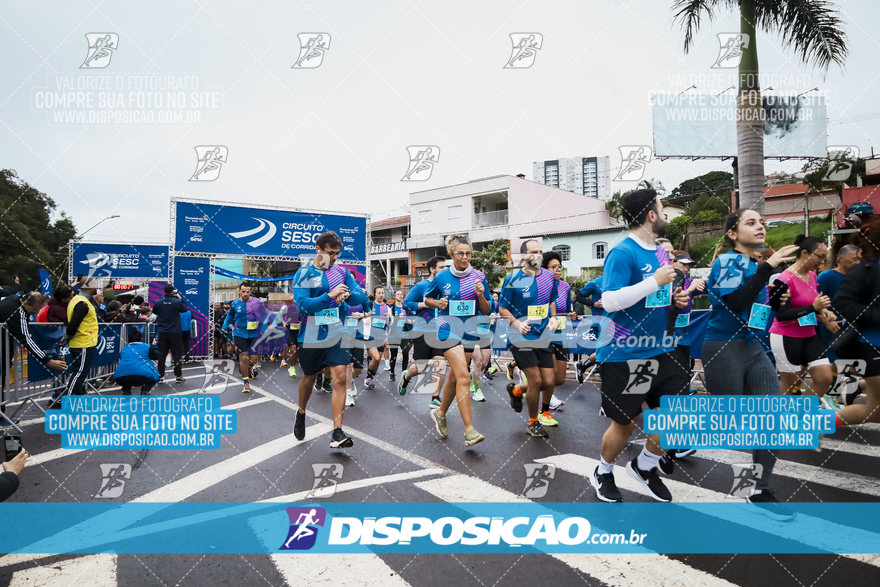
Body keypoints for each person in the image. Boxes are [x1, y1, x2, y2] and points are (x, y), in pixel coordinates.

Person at [589, 189, 690, 504]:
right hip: (625, 352)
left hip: (660, 350)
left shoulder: (660, 253)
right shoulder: (623, 252)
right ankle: (603, 471)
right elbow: (609, 300)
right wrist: (655, 282)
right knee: (625, 424)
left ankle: (644, 466)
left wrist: (673, 300)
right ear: (651, 215)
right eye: (662, 209)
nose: (665, 215)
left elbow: (652, 300)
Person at [701, 208, 798, 520]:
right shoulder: (729, 261)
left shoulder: (756, 265)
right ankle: (680, 429)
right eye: (751, 222)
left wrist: (776, 297)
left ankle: (760, 489)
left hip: (753, 347)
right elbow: (735, 302)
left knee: (773, 416)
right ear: (733, 233)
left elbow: (755, 305)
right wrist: (766, 269)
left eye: (763, 223)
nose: (761, 227)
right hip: (723, 346)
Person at [292, 231, 368, 449]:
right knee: (308, 377)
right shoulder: (305, 272)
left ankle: (337, 432)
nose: (335, 257)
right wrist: (329, 296)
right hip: (312, 334)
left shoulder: (342, 272)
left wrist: (348, 296)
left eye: (337, 253)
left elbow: (361, 296)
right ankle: (301, 412)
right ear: (319, 250)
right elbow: (303, 305)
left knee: (341, 377)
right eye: (330, 253)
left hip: (337, 331)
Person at [420, 234, 490, 447]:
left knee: (454, 377)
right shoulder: (441, 277)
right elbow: (427, 299)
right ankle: (469, 430)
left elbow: (486, 309)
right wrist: (438, 302)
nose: (465, 257)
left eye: (468, 253)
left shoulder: (479, 277)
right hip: (447, 329)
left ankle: (440, 413)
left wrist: (480, 296)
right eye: (460, 253)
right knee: (463, 376)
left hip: (469, 330)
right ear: (451, 255)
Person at [768, 235, 837, 409]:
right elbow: (781, 315)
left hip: (808, 334)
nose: (821, 262)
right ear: (805, 253)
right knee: (789, 384)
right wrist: (814, 307)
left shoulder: (813, 276)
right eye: (819, 257)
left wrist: (823, 312)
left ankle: (800, 414)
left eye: (824, 258)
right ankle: (775, 425)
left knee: (824, 377)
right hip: (785, 335)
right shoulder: (783, 279)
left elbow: (809, 304)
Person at [500, 238, 559, 436]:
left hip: (542, 335)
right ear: (524, 256)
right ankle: (533, 422)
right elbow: (502, 308)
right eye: (534, 252)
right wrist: (517, 323)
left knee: (549, 381)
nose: (539, 256)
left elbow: (551, 302)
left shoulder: (549, 277)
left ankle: (516, 391)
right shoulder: (513, 279)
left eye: (541, 252)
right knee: (535, 380)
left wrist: (553, 318)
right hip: (519, 336)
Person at [832, 224, 880, 427]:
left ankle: (818, 425)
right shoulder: (865, 270)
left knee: (875, 412)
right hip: (869, 344)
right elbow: (842, 302)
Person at [398, 256, 449, 409]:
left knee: (440, 361)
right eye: (441, 267)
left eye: (445, 267)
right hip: (423, 329)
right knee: (421, 367)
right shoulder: (422, 286)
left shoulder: (446, 287)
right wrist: (426, 304)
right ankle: (406, 377)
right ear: (432, 269)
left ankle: (435, 397)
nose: (444, 270)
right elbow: (407, 304)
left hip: (441, 330)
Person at [0, 291, 68, 395]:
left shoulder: (16, 299)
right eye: (35, 309)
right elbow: (26, 339)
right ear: (25, 303)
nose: (36, 312)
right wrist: (48, 360)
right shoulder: (18, 311)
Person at [48, 283, 101, 408]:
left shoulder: (76, 301)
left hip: (84, 342)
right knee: (79, 373)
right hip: (83, 342)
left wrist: (67, 337)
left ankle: (73, 398)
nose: (97, 289)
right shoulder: (81, 303)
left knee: (79, 373)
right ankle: (68, 401)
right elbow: (72, 325)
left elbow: (68, 322)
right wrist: (68, 335)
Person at [542, 251, 576, 411]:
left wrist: (572, 314)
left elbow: (567, 308)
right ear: (545, 268)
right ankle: (545, 407)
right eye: (553, 267)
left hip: (561, 334)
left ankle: (521, 388)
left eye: (559, 267)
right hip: (544, 335)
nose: (557, 270)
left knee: (560, 379)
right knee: (551, 376)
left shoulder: (565, 286)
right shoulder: (540, 285)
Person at [223, 283, 269, 393]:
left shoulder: (257, 302)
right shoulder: (235, 304)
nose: (245, 294)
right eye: (243, 291)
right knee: (243, 357)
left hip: (255, 334)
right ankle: (246, 383)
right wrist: (225, 326)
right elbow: (230, 315)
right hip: (240, 333)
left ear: (250, 291)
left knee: (253, 361)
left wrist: (264, 329)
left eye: (247, 291)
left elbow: (264, 316)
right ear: (239, 291)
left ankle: (248, 368)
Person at [152, 284, 188, 385]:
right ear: (173, 292)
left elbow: (155, 312)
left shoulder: (158, 302)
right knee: (176, 354)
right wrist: (180, 299)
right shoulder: (177, 302)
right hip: (175, 332)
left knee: (162, 354)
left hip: (162, 331)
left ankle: (160, 376)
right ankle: (178, 376)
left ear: (164, 291)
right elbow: (184, 310)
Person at [113, 329, 160, 395]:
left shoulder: (124, 349)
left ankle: (126, 390)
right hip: (142, 376)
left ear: (128, 339)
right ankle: (145, 391)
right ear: (141, 338)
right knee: (155, 375)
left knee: (128, 370)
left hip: (120, 377)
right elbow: (156, 356)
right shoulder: (147, 347)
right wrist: (154, 346)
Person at [363, 286, 391, 389]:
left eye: (382, 293)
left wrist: (390, 318)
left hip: (381, 336)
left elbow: (389, 324)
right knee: (376, 357)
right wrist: (366, 320)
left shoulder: (387, 307)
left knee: (377, 361)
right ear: (375, 294)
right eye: (378, 293)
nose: (381, 295)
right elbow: (363, 316)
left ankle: (370, 377)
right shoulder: (370, 305)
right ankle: (368, 377)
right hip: (370, 335)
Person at [388, 289, 412, 382]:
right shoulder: (391, 308)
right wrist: (398, 318)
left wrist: (410, 321)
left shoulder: (405, 307)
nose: (400, 296)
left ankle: (404, 374)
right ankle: (392, 372)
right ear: (394, 296)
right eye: (398, 294)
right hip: (394, 334)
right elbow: (390, 322)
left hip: (404, 333)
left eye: (401, 294)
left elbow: (409, 319)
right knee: (393, 355)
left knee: (406, 353)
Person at [279, 299, 300, 377]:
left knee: (297, 350)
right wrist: (284, 323)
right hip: (289, 331)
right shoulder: (288, 308)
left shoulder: (302, 308)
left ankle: (294, 365)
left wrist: (302, 323)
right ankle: (292, 368)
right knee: (293, 348)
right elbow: (281, 316)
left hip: (299, 331)